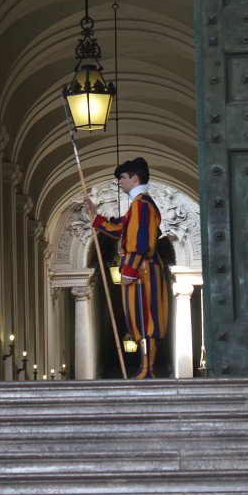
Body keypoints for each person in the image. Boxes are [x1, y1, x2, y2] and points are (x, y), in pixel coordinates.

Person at [84, 157, 169, 379]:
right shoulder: (138, 206)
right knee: (139, 318)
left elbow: (140, 242)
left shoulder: (141, 205)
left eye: (122, 177)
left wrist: (129, 270)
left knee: (145, 317)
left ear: (135, 177)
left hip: (142, 270)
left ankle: (147, 369)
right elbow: (121, 228)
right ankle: (145, 367)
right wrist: (95, 217)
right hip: (141, 268)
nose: (119, 181)